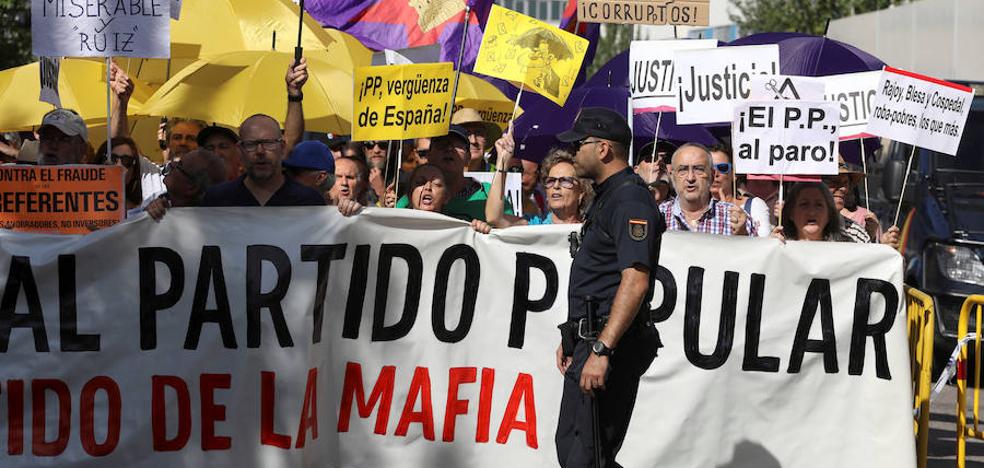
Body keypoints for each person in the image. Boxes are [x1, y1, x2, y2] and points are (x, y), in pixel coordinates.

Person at [553, 107, 664, 468]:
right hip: (590, 339)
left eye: (580, 145)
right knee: (571, 447)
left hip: (610, 346)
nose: (573, 154)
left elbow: (635, 281)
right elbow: (599, 277)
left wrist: (602, 349)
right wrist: (573, 336)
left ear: (603, 149)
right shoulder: (608, 195)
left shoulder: (630, 199)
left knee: (588, 457)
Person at [201, 114, 325, 207]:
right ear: (240, 150)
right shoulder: (216, 199)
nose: (260, 151)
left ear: (282, 147)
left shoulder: (308, 201)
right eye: (251, 144)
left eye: (268, 143)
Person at [394, 126, 513, 221]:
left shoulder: (490, 195)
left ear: (468, 157)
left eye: (458, 146)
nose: (449, 149)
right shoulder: (412, 197)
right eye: (442, 144)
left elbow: (510, 231)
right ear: (429, 155)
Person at [336, 163, 491, 233]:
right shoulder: (391, 225)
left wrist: (481, 234)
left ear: (447, 197)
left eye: (436, 184)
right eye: (420, 182)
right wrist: (352, 213)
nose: (427, 188)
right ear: (409, 194)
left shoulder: (463, 229)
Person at [487, 123, 587, 226]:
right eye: (551, 181)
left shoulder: (591, 229)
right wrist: (503, 162)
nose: (556, 186)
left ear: (581, 191)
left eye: (565, 181)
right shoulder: (535, 225)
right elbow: (494, 218)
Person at [658, 143, 755, 236]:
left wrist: (742, 234)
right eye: (683, 170)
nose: (690, 178)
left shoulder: (734, 218)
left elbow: (757, 252)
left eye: (699, 169)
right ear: (672, 176)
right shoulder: (657, 216)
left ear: (712, 176)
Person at [145, 149, 228, 220]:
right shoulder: (161, 204)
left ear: (192, 188)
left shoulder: (206, 227)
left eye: (179, 165)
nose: (172, 164)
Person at [709, 145, 771, 237]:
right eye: (709, 168)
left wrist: (743, 231)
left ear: (734, 174)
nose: (715, 174)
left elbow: (763, 246)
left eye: (722, 168)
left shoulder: (754, 205)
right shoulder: (695, 210)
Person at [771, 182, 864, 242]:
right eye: (804, 204)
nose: (812, 212)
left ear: (829, 214)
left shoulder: (847, 248)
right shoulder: (778, 245)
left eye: (819, 205)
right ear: (791, 213)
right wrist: (770, 250)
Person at [95, 136, 166, 210]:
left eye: (127, 161)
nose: (119, 166)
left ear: (133, 174)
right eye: (112, 159)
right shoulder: (83, 205)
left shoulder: (143, 212)